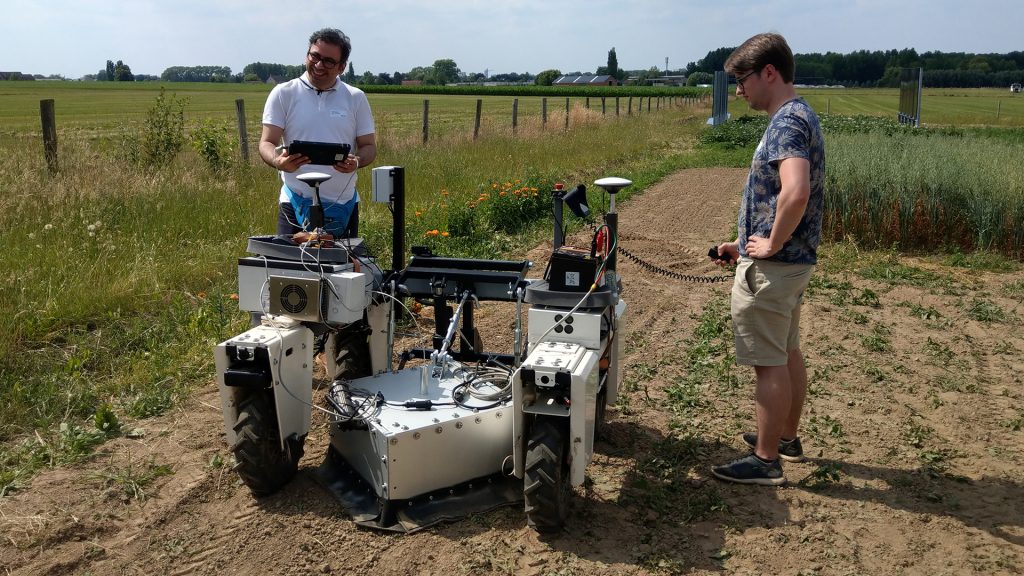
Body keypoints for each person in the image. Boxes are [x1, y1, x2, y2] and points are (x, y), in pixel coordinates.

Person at [710, 33, 825, 486]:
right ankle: (785, 438)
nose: (739, 90)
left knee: (769, 363)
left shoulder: (786, 123)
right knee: (786, 351)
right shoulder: (800, 115)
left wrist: (772, 245)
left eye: (742, 80)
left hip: (775, 268)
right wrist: (744, 243)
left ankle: (765, 459)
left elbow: (795, 192)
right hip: (792, 263)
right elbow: (780, 197)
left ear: (769, 73)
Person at [259, 28, 377, 238]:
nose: (319, 65)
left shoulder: (355, 97)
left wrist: (357, 162)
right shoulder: (283, 93)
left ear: (342, 67)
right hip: (294, 201)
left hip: (343, 203)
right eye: (315, 56)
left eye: (329, 61)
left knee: (343, 260)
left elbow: (369, 146)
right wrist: (278, 161)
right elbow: (266, 142)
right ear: (307, 55)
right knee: (289, 260)